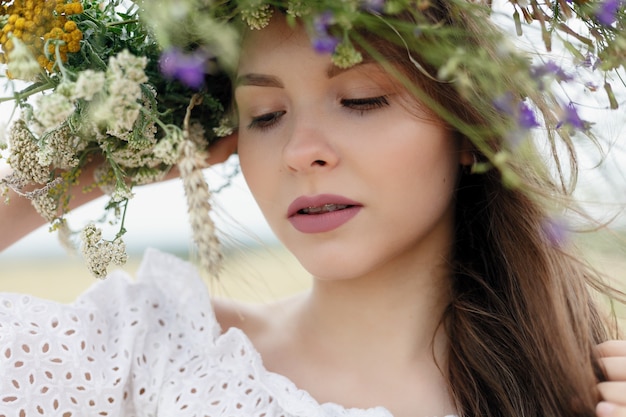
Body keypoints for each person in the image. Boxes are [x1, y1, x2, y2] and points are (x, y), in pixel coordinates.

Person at [1, 2, 626, 417]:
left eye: (360, 100)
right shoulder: (154, 353)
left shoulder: (588, 388)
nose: (301, 153)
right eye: (265, 117)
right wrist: (79, 169)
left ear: (465, 128)